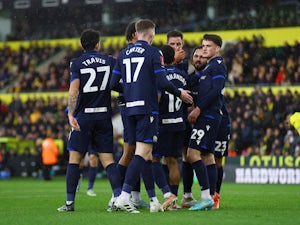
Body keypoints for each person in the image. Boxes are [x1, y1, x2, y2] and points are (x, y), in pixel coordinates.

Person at [110, 19, 193, 213]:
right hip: (147, 109)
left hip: (129, 109)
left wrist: (131, 89)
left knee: (145, 154)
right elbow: (163, 82)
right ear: (152, 34)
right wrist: (180, 93)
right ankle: (123, 196)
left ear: (137, 33)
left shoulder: (122, 54)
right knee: (142, 152)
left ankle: (154, 199)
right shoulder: (154, 52)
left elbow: (113, 84)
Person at [57, 29, 122, 212]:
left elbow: (73, 91)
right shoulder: (109, 60)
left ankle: (70, 203)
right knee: (108, 159)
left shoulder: (76, 63)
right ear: (97, 44)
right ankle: (118, 198)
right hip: (103, 115)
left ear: (81, 45)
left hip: (83, 117)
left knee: (74, 159)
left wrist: (70, 114)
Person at [187, 34, 226, 211]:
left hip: (208, 116)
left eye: (208, 46)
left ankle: (205, 195)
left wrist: (199, 109)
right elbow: (191, 81)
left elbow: (217, 89)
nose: (204, 49)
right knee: (207, 155)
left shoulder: (218, 65)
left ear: (218, 48)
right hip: (210, 116)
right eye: (203, 46)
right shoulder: (209, 66)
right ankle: (210, 197)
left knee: (191, 154)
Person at [115, 21, 148, 209]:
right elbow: (115, 83)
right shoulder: (132, 54)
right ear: (135, 35)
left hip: (129, 105)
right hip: (131, 106)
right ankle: (117, 195)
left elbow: (115, 82)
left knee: (136, 151)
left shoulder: (124, 55)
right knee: (130, 152)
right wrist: (131, 89)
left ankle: (134, 196)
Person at [152, 44, 187, 210]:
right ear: (173, 58)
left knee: (153, 158)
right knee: (173, 161)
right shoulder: (182, 75)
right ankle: (174, 200)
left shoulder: (159, 75)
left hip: (163, 123)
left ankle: (168, 195)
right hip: (179, 122)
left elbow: (158, 98)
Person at [181, 46, 207, 208]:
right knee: (187, 155)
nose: (198, 59)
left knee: (206, 156)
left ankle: (209, 195)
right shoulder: (190, 79)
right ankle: (188, 195)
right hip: (190, 122)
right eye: (195, 56)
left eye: (201, 56)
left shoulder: (210, 76)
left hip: (207, 121)